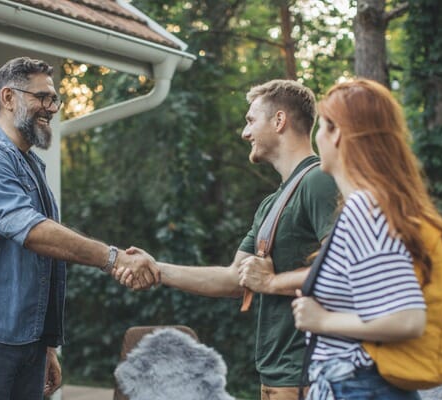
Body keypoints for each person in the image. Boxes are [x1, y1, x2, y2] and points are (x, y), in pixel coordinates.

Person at [0, 57, 160, 400]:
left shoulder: (30, 166)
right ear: (9, 97)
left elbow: (42, 266)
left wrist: (47, 345)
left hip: (26, 341)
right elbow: (32, 232)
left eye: (53, 99)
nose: (51, 108)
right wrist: (112, 258)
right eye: (41, 97)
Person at [122, 79, 339, 400]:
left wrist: (273, 282)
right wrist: (156, 269)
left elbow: (341, 270)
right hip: (276, 376)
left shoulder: (319, 181)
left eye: (251, 120)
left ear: (279, 121)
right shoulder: (272, 203)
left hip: (308, 375)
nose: (245, 133)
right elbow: (234, 278)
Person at [292, 79, 442, 399]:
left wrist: (322, 320)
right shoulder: (380, 207)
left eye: (322, 127)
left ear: (336, 133)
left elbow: (405, 319)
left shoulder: (366, 209)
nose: (318, 138)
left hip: (359, 386)